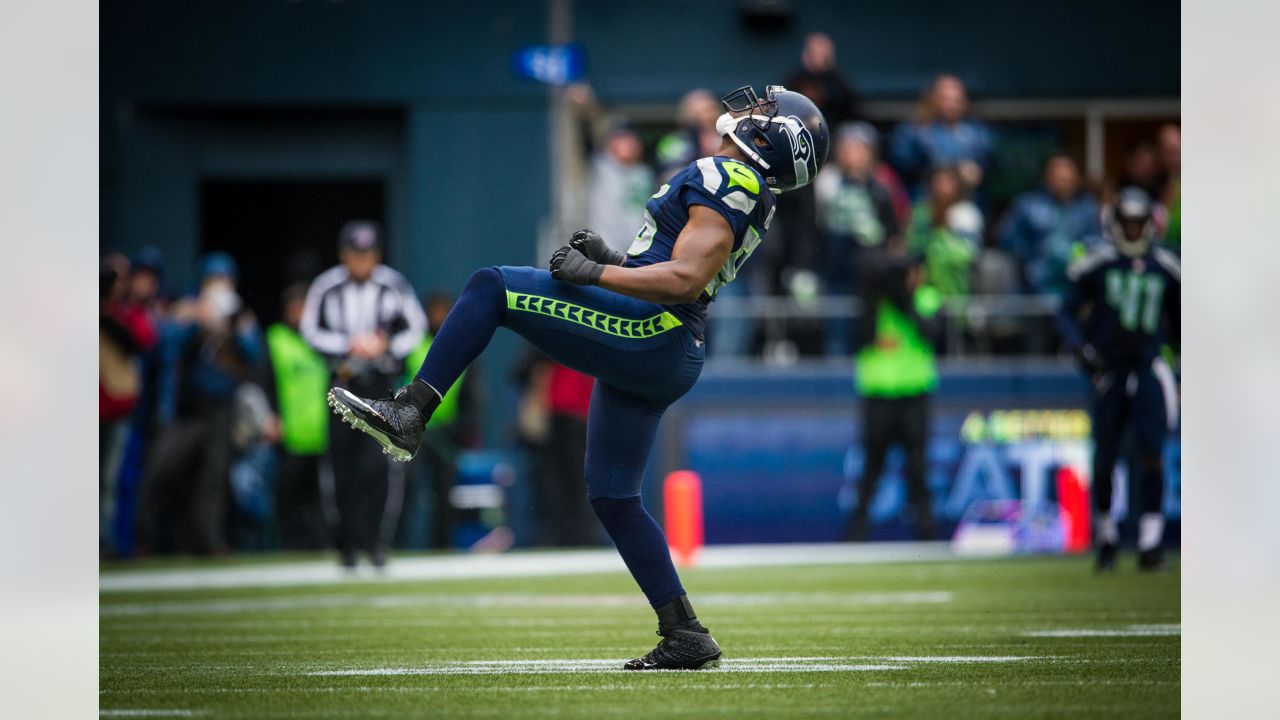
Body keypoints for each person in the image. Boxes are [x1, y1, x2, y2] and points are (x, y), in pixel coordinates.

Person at [327, 85, 828, 670]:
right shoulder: (743, 188)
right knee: (613, 497)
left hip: (655, 331)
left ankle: (411, 410)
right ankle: (685, 631)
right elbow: (672, 264)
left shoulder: (732, 180)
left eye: (764, 112)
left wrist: (596, 274)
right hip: (667, 345)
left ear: (771, 138)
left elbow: (686, 278)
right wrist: (615, 260)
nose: (751, 110)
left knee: (492, 287)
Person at [1057, 187, 1180, 572]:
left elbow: (1181, 322)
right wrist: (1081, 349)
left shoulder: (1166, 266)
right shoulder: (1098, 263)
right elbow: (1065, 310)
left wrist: (1179, 363)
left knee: (1150, 452)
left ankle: (1149, 541)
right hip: (1108, 368)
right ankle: (1107, 535)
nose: (1131, 230)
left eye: (1137, 223)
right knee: (1106, 455)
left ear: (1149, 224)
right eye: (1125, 222)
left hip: (1148, 366)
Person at [301, 221, 426, 568]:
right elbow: (310, 330)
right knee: (342, 465)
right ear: (343, 256)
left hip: (379, 384)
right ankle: (347, 543)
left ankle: (375, 540)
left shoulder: (393, 285)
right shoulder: (327, 287)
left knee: (379, 463)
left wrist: (385, 347)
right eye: (355, 255)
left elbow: (415, 328)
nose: (361, 262)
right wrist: (348, 345)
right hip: (343, 382)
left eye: (367, 255)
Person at [136, 252, 261, 555]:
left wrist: (234, 326)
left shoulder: (239, 314)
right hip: (186, 408)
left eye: (224, 280)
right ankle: (142, 540)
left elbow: (253, 355)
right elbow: (163, 348)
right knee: (161, 471)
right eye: (213, 280)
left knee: (214, 478)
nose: (219, 286)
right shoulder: (188, 309)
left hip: (220, 408)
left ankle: (210, 542)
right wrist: (195, 321)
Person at [843, 245, 942, 542]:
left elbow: (933, 333)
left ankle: (926, 533)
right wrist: (876, 298)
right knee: (871, 469)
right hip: (879, 395)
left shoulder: (927, 298)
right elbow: (858, 338)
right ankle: (856, 534)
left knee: (918, 468)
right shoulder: (875, 303)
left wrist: (905, 302)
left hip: (915, 394)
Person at [400, 292, 483, 550]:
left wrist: (466, 429)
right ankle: (398, 544)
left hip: (446, 433)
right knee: (406, 489)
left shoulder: (462, 347)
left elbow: (472, 394)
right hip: (413, 431)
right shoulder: (412, 347)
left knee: (444, 493)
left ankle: (442, 547)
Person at [813, 122, 900, 354]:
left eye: (860, 148)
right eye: (848, 148)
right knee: (837, 333)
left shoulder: (881, 187)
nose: (854, 154)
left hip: (871, 274)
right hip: (836, 269)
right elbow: (815, 226)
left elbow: (893, 230)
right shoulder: (826, 182)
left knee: (869, 332)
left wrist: (878, 236)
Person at [264, 283, 331, 550]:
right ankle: (286, 547)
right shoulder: (276, 339)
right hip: (288, 433)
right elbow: (264, 382)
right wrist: (270, 416)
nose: (301, 314)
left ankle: (321, 547)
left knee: (320, 501)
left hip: (320, 434)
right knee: (287, 498)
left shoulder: (323, 341)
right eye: (296, 308)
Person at [998, 154, 1104, 297]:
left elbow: (1096, 244)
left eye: (1068, 180)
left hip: (1074, 288)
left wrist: (1080, 257)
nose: (1064, 184)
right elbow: (1006, 239)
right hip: (1033, 289)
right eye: (1060, 179)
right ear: (1048, 178)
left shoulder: (1087, 209)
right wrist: (1028, 260)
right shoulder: (1028, 205)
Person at [890, 74, 993, 199]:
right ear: (932, 100)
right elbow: (903, 165)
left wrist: (978, 172)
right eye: (946, 99)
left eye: (957, 100)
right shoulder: (913, 131)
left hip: (969, 202)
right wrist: (952, 170)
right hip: (925, 201)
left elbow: (991, 165)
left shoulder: (977, 133)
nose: (952, 105)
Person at [905, 166, 981, 300]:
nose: (944, 188)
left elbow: (968, 253)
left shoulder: (966, 214)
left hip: (958, 281)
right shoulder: (921, 213)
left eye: (948, 183)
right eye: (939, 182)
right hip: (925, 288)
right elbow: (914, 246)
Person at [588, 126, 656, 255]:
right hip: (607, 245)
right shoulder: (603, 167)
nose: (630, 146)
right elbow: (587, 144)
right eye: (624, 141)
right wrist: (583, 116)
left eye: (633, 142)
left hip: (638, 245)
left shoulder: (644, 173)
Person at [656, 89, 724, 181]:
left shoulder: (726, 138)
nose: (710, 116)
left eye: (713, 109)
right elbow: (672, 177)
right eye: (704, 111)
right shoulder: (674, 142)